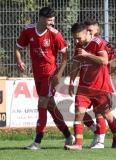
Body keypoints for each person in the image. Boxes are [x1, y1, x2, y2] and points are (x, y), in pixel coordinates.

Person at [15, 6, 74, 150]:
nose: (52, 23)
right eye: (49, 20)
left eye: (53, 21)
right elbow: (17, 47)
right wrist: (19, 61)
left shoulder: (55, 34)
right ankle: (68, 135)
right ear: (41, 18)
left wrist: (59, 74)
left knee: (41, 103)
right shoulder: (28, 31)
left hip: (50, 74)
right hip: (37, 75)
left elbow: (66, 55)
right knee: (51, 107)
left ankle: (37, 142)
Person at [65, 23, 116, 150]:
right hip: (84, 87)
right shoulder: (79, 45)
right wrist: (71, 81)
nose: (76, 41)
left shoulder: (98, 43)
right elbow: (76, 62)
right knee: (79, 112)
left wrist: (87, 55)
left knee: (106, 115)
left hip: (100, 86)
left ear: (87, 33)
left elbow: (104, 61)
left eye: (78, 38)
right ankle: (78, 144)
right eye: (74, 38)